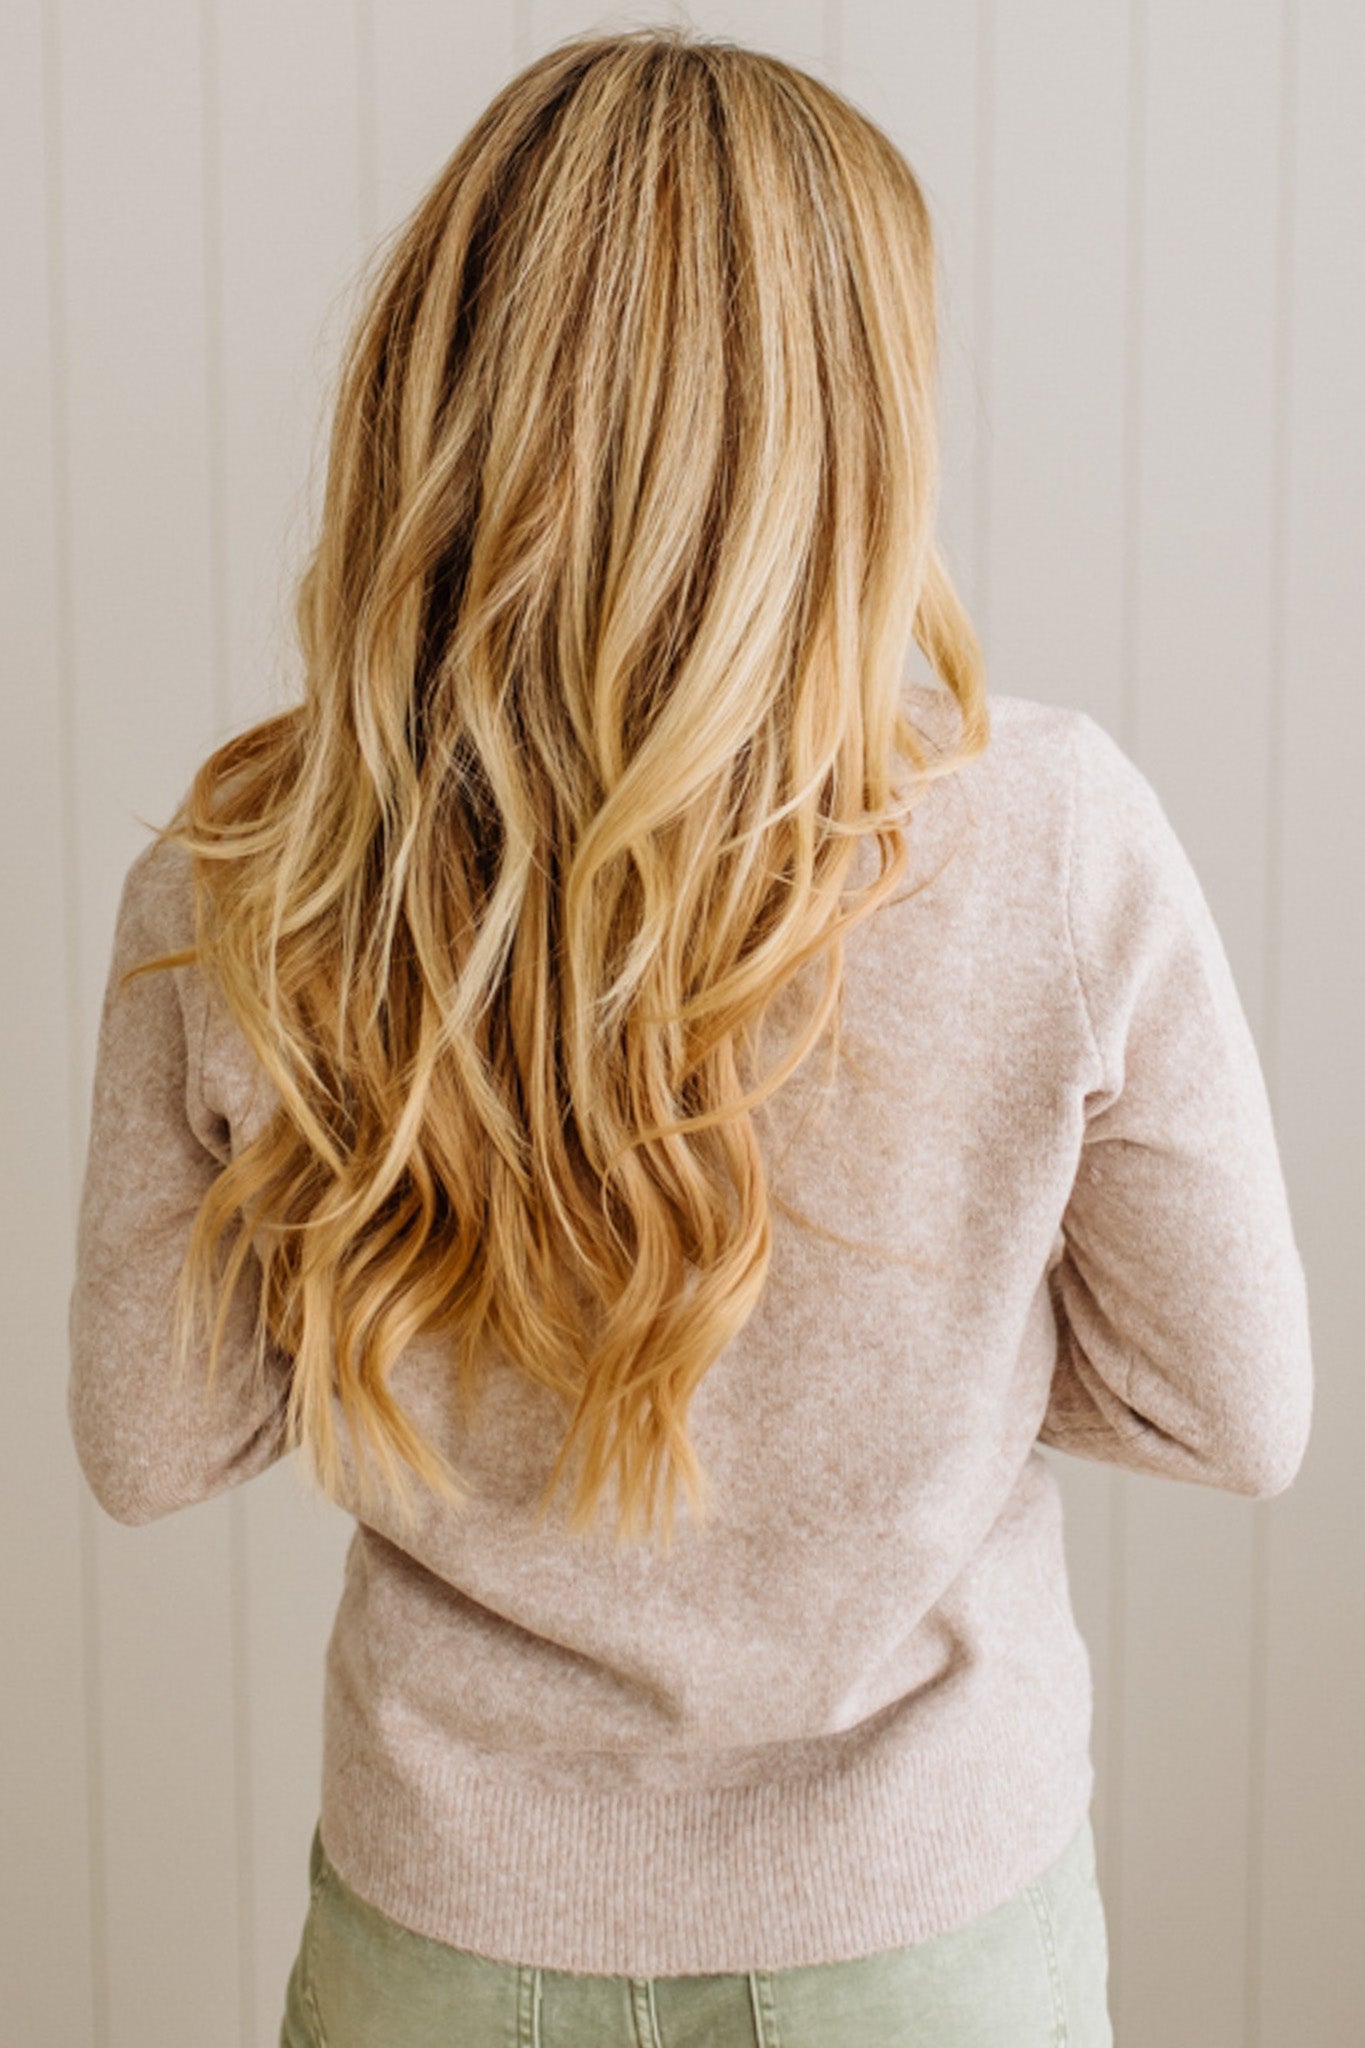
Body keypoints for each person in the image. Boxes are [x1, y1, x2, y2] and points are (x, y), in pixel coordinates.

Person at [67, 27, 1313, 2048]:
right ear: (854, 422)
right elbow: (1232, 1411)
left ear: (437, 384)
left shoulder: (248, 878)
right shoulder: (1051, 837)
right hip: (925, 1942)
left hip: (447, 1937)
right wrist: (902, 1375)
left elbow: (152, 1443)